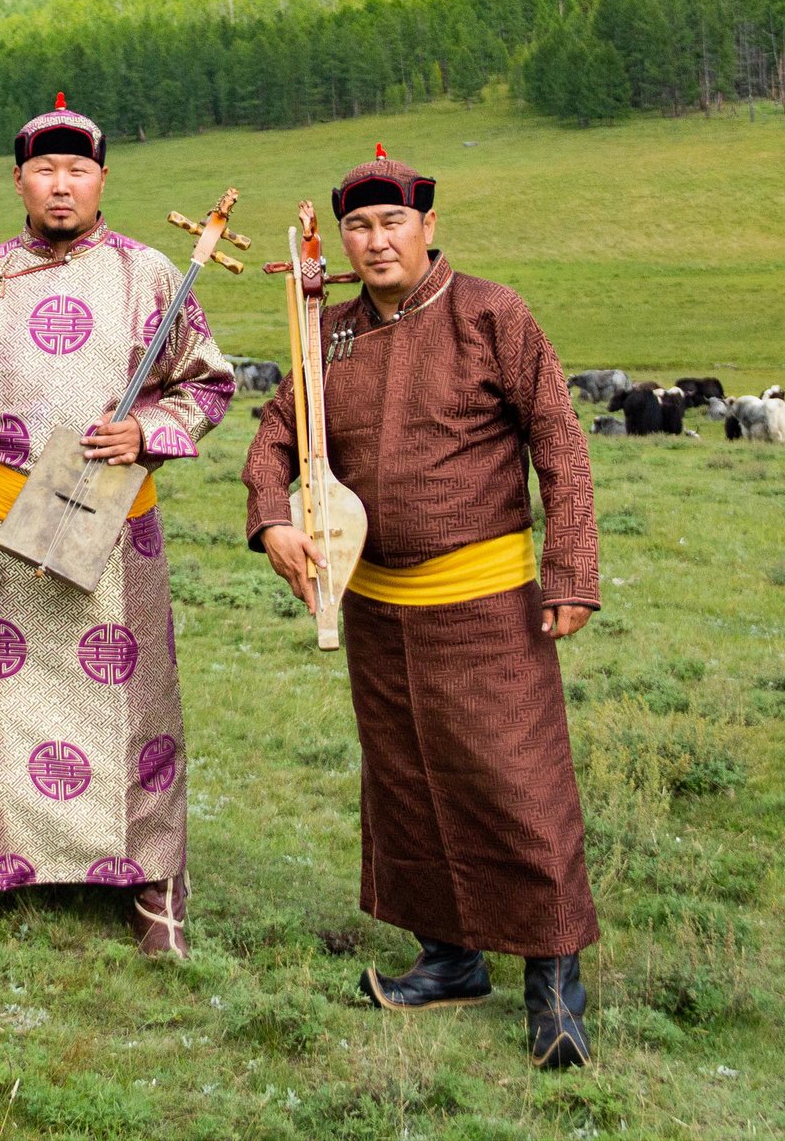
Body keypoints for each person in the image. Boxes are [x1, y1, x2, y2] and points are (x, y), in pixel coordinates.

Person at [240, 147, 602, 1069]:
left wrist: (569, 570)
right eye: (357, 226)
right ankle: (448, 959)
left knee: (515, 784)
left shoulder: (492, 314)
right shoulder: (329, 337)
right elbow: (273, 438)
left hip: (485, 603)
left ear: (428, 227)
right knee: (407, 788)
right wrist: (271, 520)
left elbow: (560, 441)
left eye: (392, 222)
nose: (374, 240)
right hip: (375, 609)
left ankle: (554, 981)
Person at [0, 96, 236, 959]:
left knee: (133, 708)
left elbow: (209, 384)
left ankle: (152, 885)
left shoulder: (151, 276)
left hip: (110, 532)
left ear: (103, 178)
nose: (61, 184)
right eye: (45, 168)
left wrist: (148, 430)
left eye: (78, 168)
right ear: (19, 181)